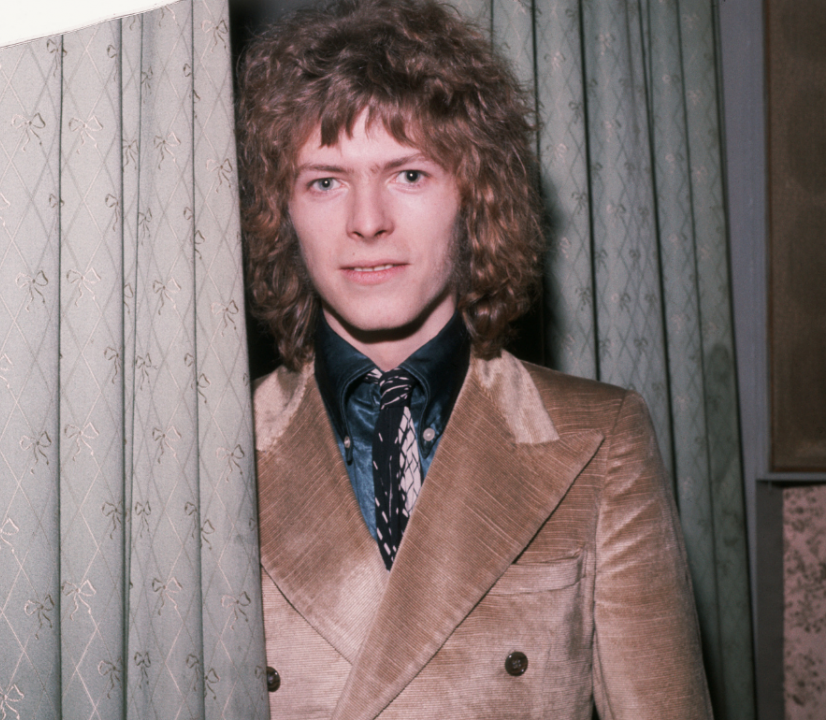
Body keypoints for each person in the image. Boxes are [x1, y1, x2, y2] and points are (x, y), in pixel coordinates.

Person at [237, 1, 713, 718]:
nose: (367, 222)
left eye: (410, 175)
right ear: (283, 212)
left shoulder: (598, 441)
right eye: (325, 181)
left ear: (476, 194)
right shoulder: (219, 450)